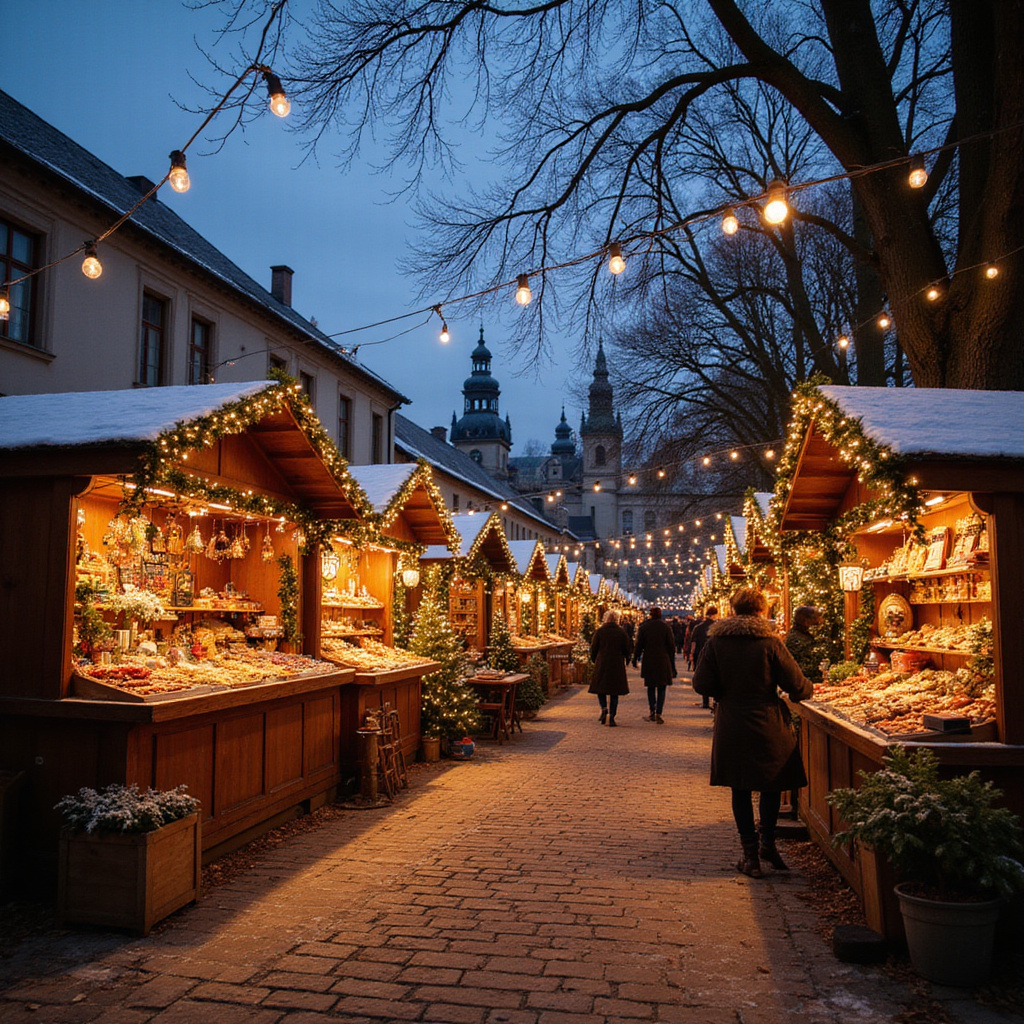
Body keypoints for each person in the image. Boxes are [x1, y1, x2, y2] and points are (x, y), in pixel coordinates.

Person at [692, 587, 813, 878]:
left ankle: (750, 855)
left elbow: (701, 684)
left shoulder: (717, 642)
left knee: (740, 787)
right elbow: (798, 687)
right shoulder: (770, 643)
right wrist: (807, 688)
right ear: (761, 611)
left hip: (732, 722)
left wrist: (725, 693)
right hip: (768, 721)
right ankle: (767, 844)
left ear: (732, 610)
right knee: (772, 785)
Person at [589, 609, 633, 727]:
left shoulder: (600, 631)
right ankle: (612, 715)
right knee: (615, 692)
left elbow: (594, 648)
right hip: (616, 664)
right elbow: (626, 649)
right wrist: (627, 660)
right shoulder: (621, 632)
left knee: (600, 688)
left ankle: (604, 707)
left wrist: (594, 660)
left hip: (602, 662)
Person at [632, 606, 677, 722]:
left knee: (651, 687)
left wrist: (635, 658)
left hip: (649, 659)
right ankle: (659, 712)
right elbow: (671, 647)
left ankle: (652, 710)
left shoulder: (644, 627)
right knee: (662, 687)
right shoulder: (665, 627)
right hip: (663, 659)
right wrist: (673, 665)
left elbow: (639, 645)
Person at [688, 606, 719, 708]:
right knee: (716, 676)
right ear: (714, 615)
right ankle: (715, 700)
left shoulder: (698, 627)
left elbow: (693, 642)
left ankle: (705, 701)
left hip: (700, 654)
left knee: (704, 675)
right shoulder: (717, 627)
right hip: (715, 654)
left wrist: (691, 654)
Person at [785, 605, 825, 684]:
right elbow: (804, 666)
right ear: (806, 621)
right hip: (802, 681)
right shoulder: (797, 638)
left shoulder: (801, 634)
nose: (817, 621)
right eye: (814, 618)